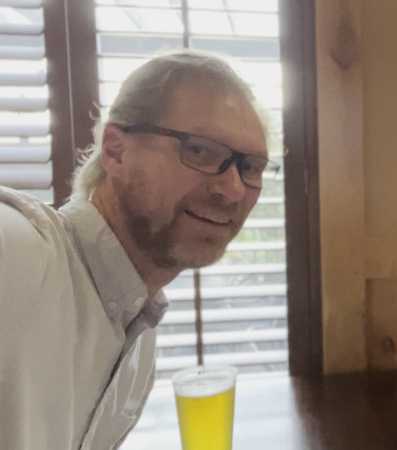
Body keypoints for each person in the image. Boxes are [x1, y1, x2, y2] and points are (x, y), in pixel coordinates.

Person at [0, 50, 269, 449]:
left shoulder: (138, 343)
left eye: (250, 168)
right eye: (199, 150)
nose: (233, 190)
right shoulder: (20, 253)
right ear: (115, 150)